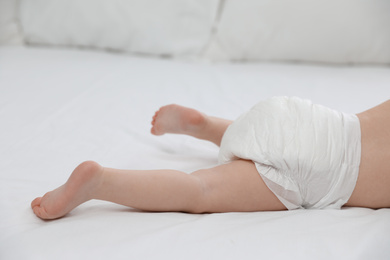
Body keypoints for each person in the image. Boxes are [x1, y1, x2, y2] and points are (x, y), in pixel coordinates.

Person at [31, 97, 390, 220]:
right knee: (200, 190)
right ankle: (102, 181)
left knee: (263, 143)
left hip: (305, 118)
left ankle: (206, 126)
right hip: (320, 173)